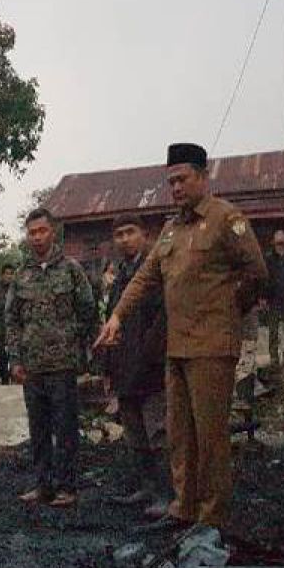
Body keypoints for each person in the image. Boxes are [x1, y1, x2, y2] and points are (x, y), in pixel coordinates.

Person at [96, 142, 267, 529]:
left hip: (212, 347)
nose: (175, 187)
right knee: (179, 435)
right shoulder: (171, 230)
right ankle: (183, 509)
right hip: (177, 348)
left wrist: (227, 310)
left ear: (203, 178)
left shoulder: (227, 219)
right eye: (170, 181)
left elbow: (256, 273)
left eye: (182, 179)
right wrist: (117, 316)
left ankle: (211, 518)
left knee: (210, 438)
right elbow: (144, 277)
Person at [6, 207, 97, 508]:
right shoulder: (21, 275)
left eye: (42, 231)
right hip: (32, 367)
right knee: (39, 428)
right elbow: (12, 320)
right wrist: (16, 359)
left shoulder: (70, 270)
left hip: (62, 365)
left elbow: (87, 311)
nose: (37, 238)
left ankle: (67, 487)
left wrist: (77, 346)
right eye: (32, 233)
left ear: (52, 232)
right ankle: (42, 484)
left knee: (66, 426)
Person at [101, 214, 170, 515]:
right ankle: (146, 488)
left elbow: (163, 320)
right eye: (119, 234)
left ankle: (168, 495)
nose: (125, 239)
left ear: (144, 234)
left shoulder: (156, 270)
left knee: (159, 434)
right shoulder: (119, 276)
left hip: (152, 368)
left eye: (130, 232)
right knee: (135, 435)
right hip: (125, 369)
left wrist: (151, 356)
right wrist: (108, 366)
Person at [263, 230, 284, 369]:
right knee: (273, 329)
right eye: (278, 243)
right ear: (273, 243)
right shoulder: (268, 259)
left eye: (282, 242)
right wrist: (263, 296)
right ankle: (274, 356)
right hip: (273, 297)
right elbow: (264, 278)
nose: (280, 245)